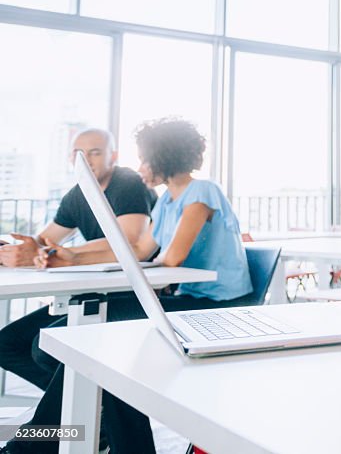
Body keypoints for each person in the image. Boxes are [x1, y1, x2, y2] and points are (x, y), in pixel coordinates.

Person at [3, 118, 251, 454]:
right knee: (91, 355)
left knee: (86, 339)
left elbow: (172, 257)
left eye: (145, 158)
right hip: (183, 298)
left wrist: (83, 256)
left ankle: (32, 447)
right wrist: (71, 257)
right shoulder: (164, 203)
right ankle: (79, 433)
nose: (140, 167)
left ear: (164, 157)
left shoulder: (203, 191)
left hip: (214, 306)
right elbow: (143, 251)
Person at [0, 128, 154, 391]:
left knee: (44, 348)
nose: (86, 160)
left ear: (113, 156)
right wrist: (14, 249)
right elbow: (46, 240)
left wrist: (49, 252)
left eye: (95, 152)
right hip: (94, 293)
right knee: (7, 344)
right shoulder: (77, 194)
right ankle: (90, 414)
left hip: (133, 294)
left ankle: (88, 413)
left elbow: (128, 240)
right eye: (78, 153)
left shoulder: (128, 182)